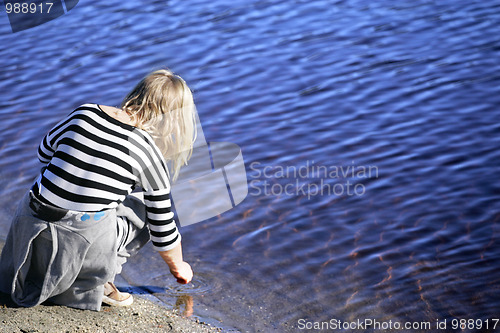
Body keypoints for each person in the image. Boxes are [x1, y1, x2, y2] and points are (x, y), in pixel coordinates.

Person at [0, 69, 196, 311]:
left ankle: (37, 267)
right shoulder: (149, 155)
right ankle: (99, 281)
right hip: (79, 238)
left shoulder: (86, 112)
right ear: (173, 120)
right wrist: (180, 267)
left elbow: (43, 152)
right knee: (146, 209)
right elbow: (163, 230)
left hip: (29, 223)